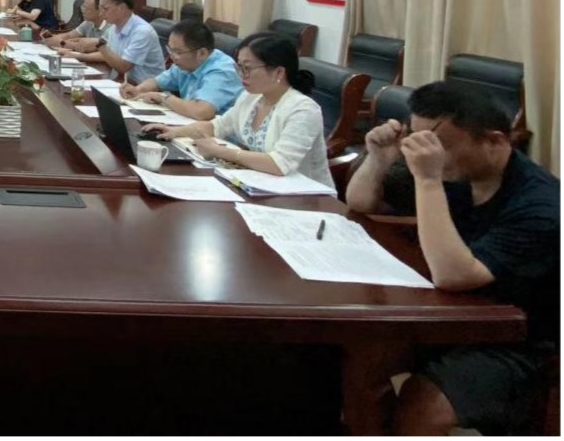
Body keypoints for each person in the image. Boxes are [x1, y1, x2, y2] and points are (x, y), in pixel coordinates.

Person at [345, 82, 559, 436]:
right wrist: (379, 159)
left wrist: (428, 180)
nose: (426, 152)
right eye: (417, 139)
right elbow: (361, 203)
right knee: (360, 360)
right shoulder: (455, 172)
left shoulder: (539, 206)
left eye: (437, 144)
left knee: (423, 407)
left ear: (494, 141)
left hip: (517, 343)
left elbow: (454, 275)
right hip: (447, 317)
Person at [145, 32, 330, 187]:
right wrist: (174, 132)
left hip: (306, 197)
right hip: (260, 185)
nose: (241, 75)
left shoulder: (303, 110)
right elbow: (218, 126)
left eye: (247, 68)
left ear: (279, 72)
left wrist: (220, 151)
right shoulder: (252, 97)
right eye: (239, 67)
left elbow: (280, 164)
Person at [119, 20, 243, 120]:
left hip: (222, 138)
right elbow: (157, 82)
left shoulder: (222, 71)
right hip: (191, 125)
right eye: (170, 50)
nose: (172, 56)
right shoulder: (185, 63)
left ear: (202, 53)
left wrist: (163, 98)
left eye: (177, 52)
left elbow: (201, 112)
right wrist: (138, 90)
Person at [69, 0, 165, 82]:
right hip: (123, 83)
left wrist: (100, 45)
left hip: (145, 87)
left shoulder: (142, 32)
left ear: (121, 8)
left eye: (105, 9)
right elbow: (108, 54)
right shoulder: (114, 28)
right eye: (100, 9)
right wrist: (78, 53)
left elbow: (124, 67)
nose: (101, 14)